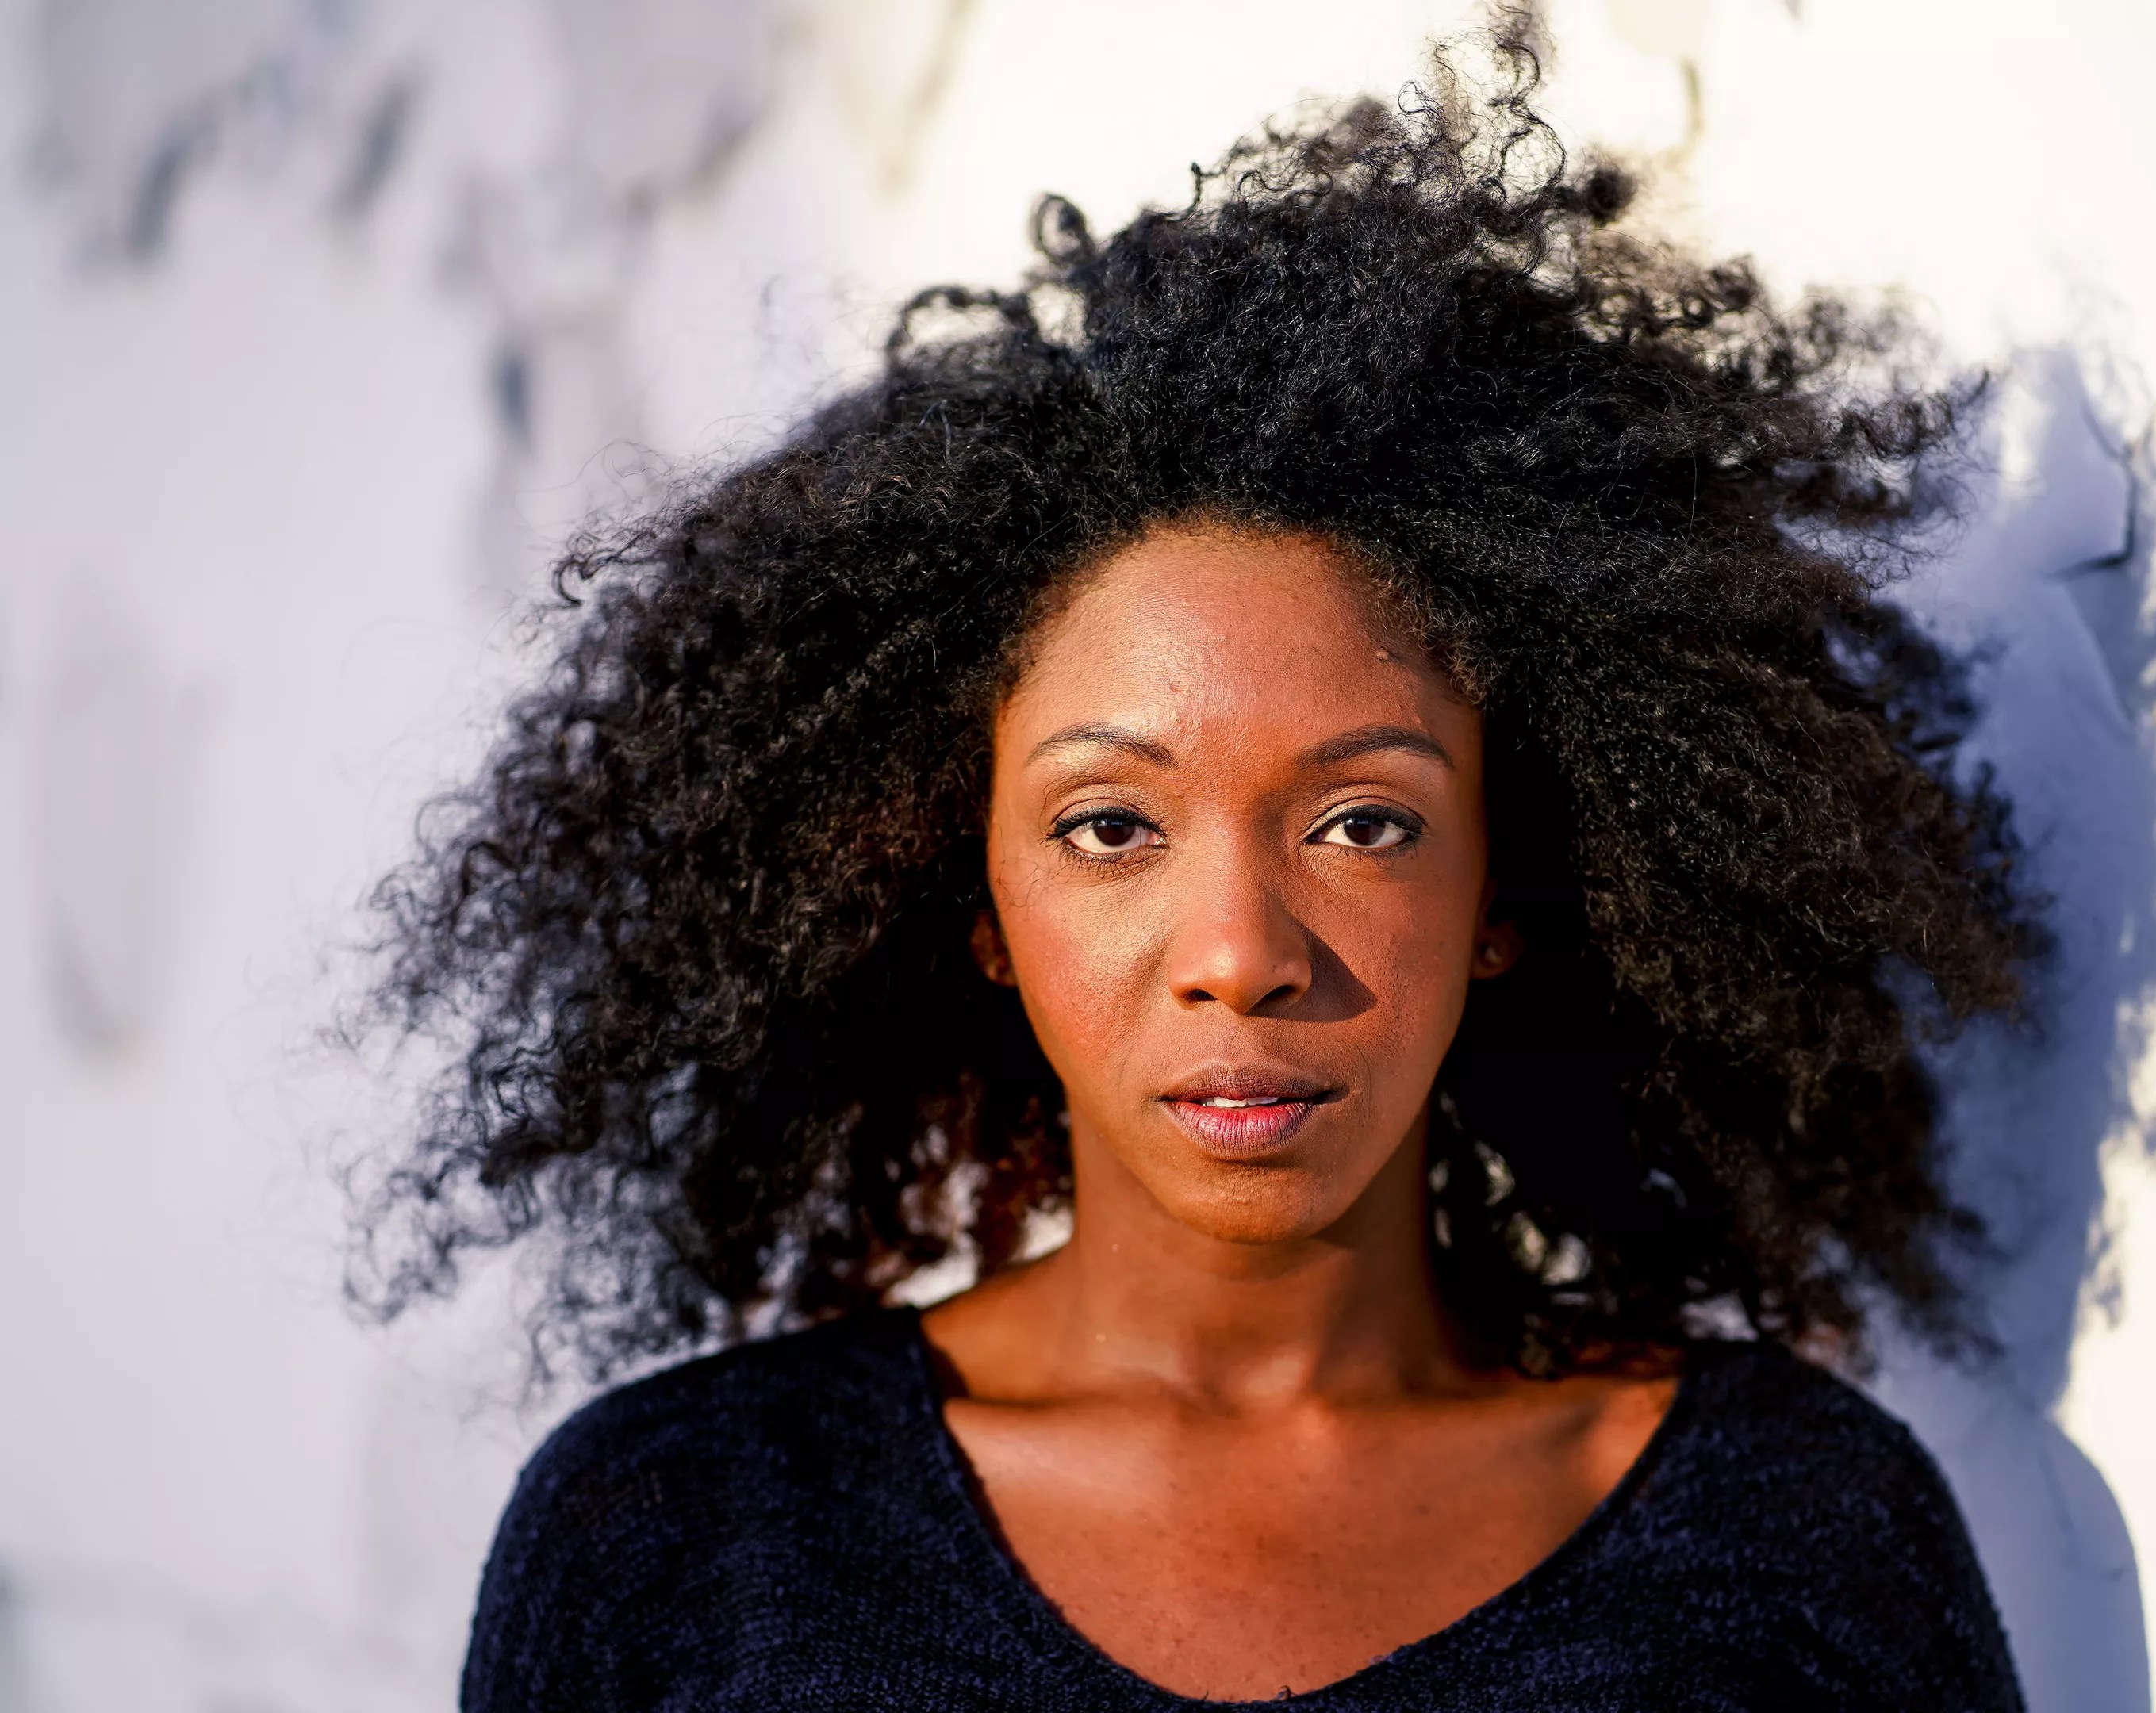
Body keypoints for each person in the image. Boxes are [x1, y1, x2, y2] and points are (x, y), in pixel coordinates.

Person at [353, 18, 2039, 1709]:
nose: (1240, 952)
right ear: (974, 900)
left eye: (1363, 822)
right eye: (1110, 827)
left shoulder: (1795, 1533)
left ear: (1506, 887)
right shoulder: (680, 1533)